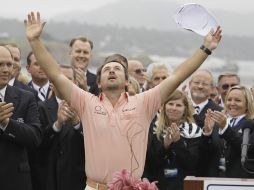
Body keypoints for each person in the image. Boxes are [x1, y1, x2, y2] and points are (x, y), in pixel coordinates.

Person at [24, 11, 222, 189]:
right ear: (99, 83)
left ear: (127, 81)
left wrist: (205, 48)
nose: (112, 70)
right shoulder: (86, 102)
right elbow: (56, 75)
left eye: (117, 68)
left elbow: (177, 76)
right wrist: (34, 41)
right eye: (107, 69)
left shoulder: (145, 102)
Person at [36, 65, 86, 190]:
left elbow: (93, 143)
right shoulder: (40, 107)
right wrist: (57, 124)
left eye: (68, 79)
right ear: (52, 83)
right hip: (49, 176)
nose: (64, 83)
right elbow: (37, 141)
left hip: (77, 177)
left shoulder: (85, 107)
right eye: (60, 79)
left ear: (75, 83)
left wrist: (77, 124)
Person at [0, 45, 41, 189]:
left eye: (9, 64)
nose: (5, 69)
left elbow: (35, 137)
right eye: (0, 64)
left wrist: (6, 123)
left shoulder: (26, 97)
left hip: (16, 181)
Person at [144, 90, 202, 190]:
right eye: (170, 104)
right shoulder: (153, 129)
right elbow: (151, 164)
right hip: (158, 185)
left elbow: (192, 164)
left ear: (185, 109)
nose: (174, 108)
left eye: (178, 105)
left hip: (184, 185)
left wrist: (178, 142)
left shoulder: (194, 130)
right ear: (163, 106)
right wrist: (165, 147)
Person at [204, 85, 254, 178]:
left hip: (241, 179)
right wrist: (207, 133)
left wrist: (225, 128)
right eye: (229, 99)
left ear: (247, 104)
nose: (232, 103)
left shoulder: (251, 124)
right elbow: (206, 154)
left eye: (238, 100)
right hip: (215, 179)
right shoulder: (218, 122)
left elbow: (245, 149)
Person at [188, 69, 224, 177]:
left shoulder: (220, 112)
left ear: (212, 89)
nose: (200, 86)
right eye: (196, 82)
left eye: (205, 84)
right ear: (189, 85)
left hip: (206, 172)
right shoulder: (178, 107)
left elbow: (217, 145)